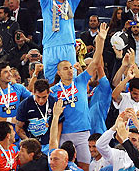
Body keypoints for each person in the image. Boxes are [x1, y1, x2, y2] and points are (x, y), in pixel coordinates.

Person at [50, 23, 108, 171]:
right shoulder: (53, 91)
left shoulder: (80, 80)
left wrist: (100, 40)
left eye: (70, 68)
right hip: (64, 133)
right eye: (65, 68)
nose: (70, 71)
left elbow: (95, 62)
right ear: (58, 72)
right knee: (63, 167)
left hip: (83, 132)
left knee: (85, 167)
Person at [38, 0, 85, 84]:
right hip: (50, 47)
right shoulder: (46, 3)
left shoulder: (72, 3)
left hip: (68, 46)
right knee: (50, 83)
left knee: (71, 80)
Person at [16, 79, 60, 154]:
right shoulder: (25, 105)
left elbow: (59, 123)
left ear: (49, 93)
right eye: (38, 97)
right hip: (31, 146)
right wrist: (29, 143)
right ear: (33, 92)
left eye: (44, 97)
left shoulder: (53, 102)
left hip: (48, 144)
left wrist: (55, 142)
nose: (41, 101)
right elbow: (18, 127)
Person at [0, 62, 31, 129]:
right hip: (0, 134)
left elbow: (34, 99)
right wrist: (10, 120)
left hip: (17, 133)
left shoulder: (18, 87)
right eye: (5, 72)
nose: (10, 74)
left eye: (10, 71)